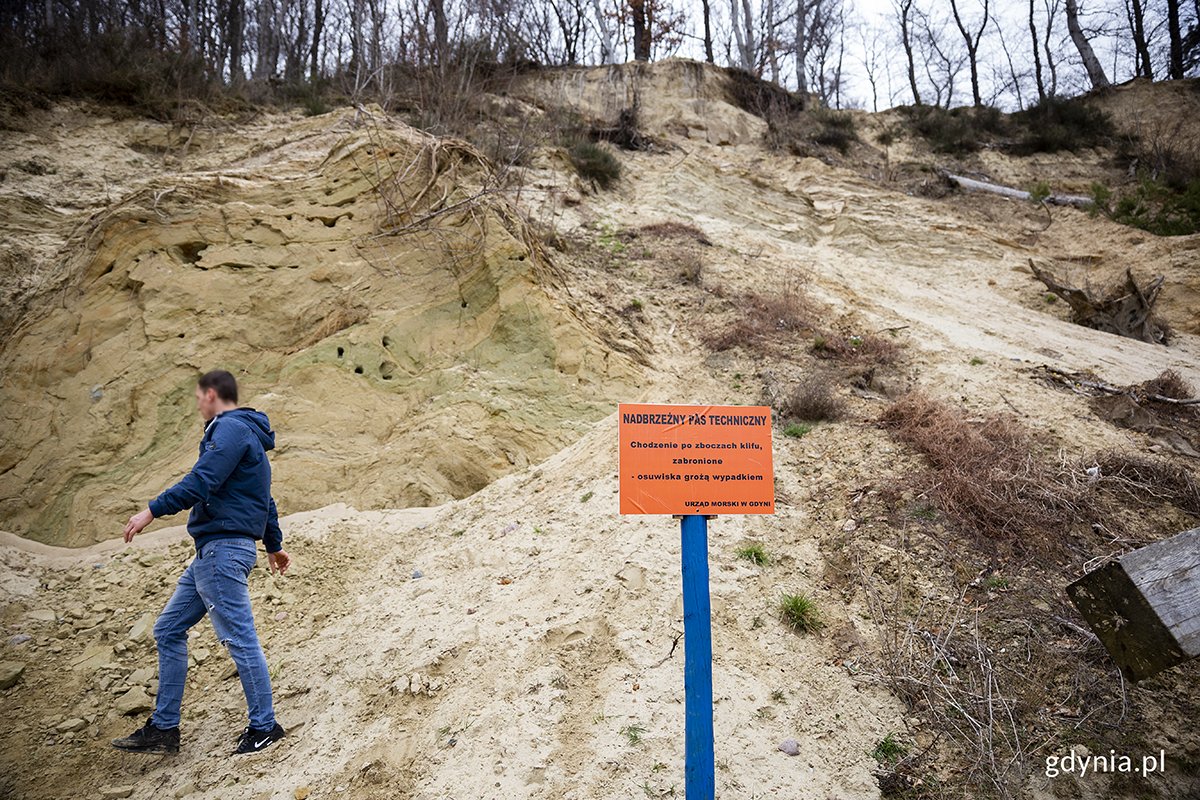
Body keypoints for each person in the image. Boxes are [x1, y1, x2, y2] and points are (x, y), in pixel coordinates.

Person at [111, 369, 291, 756]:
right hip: (212, 554)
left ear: (211, 395)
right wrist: (274, 545)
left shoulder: (228, 429)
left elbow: (201, 480)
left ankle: (264, 727)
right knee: (168, 629)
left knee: (241, 641)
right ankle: (164, 727)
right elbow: (265, 500)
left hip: (222, 552)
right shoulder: (247, 436)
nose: (197, 405)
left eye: (198, 397)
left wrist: (151, 512)